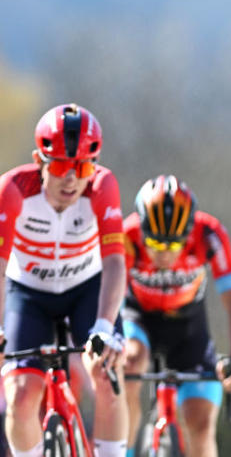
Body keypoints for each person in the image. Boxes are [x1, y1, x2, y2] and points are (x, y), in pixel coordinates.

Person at [0, 103, 128, 457]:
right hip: (28, 295)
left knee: (106, 375)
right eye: (58, 165)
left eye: (82, 166)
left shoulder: (103, 187)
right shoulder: (12, 190)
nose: (71, 179)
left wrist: (104, 326)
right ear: (38, 160)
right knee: (21, 395)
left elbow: (115, 262)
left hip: (86, 290)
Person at [122, 175, 231, 457]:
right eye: (155, 245)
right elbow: (106, 296)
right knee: (131, 362)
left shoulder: (209, 235)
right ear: (142, 229)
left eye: (173, 246)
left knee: (201, 426)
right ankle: (125, 449)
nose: (164, 256)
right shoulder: (126, 236)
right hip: (139, 319)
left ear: (189, 233)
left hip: (188, 326)